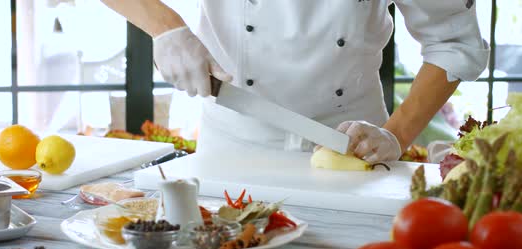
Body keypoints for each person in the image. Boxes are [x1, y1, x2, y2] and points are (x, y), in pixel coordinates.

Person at [101, 0, 488, 164]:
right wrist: (165, 29)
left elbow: (452, 40)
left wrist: (396, 135)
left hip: (352, 149)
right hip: (231, 146)